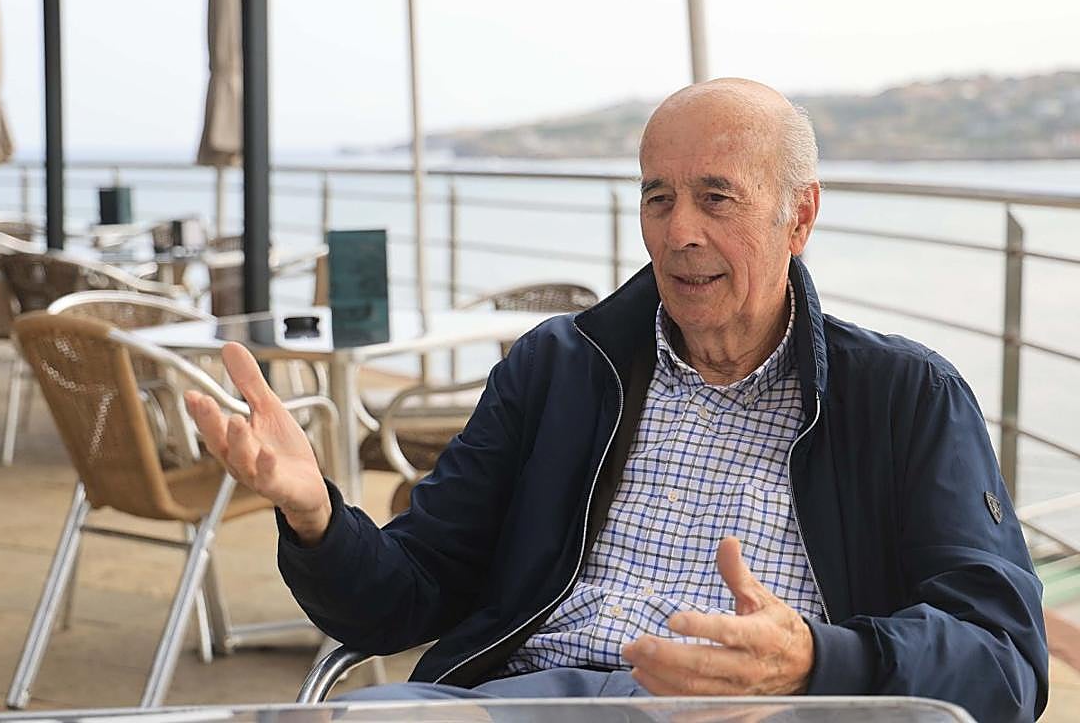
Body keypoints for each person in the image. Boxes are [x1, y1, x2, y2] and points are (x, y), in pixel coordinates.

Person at [184, 79, 1048, 721]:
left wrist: (816, 660)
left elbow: (1005, 665)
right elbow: (403, 598)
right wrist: (314, 517)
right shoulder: (559, 368)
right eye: (658, 198)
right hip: (526, 702)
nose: (680, 232)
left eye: (717, 198)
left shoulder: (904, 398)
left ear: (800, 217)